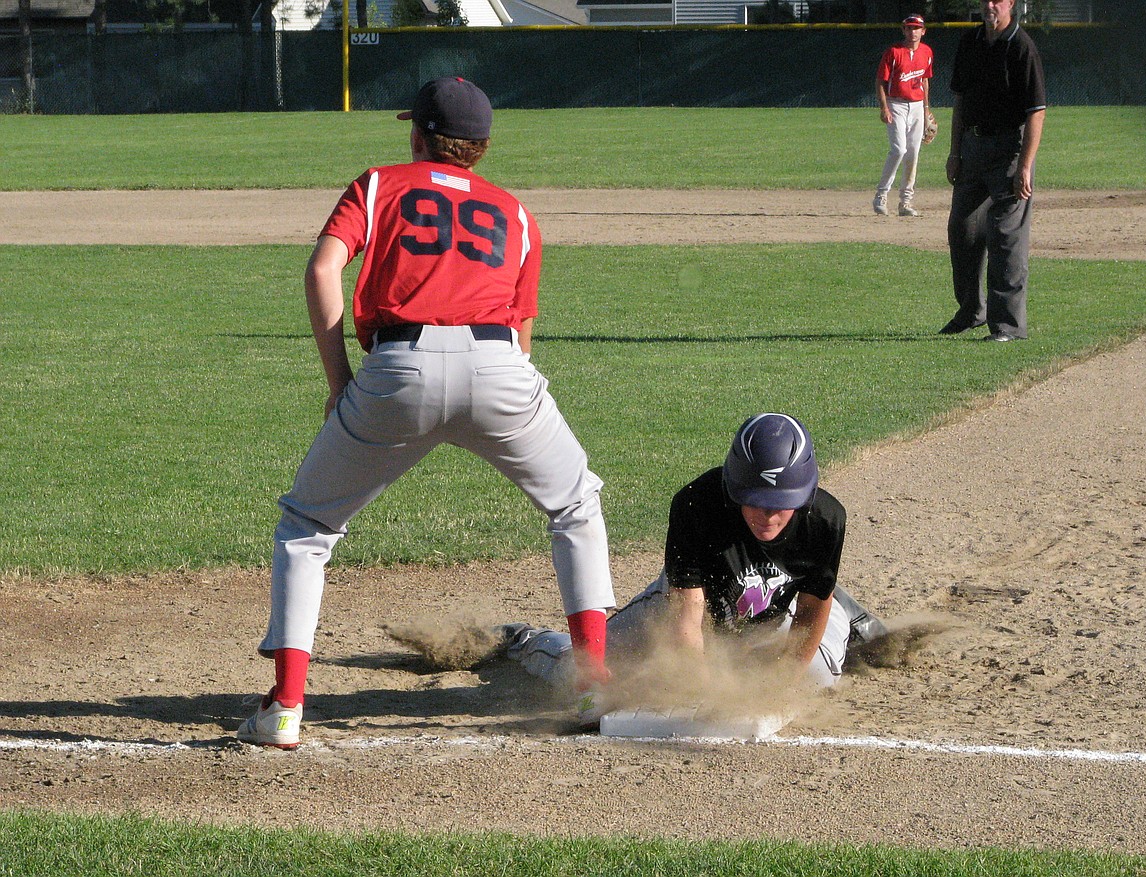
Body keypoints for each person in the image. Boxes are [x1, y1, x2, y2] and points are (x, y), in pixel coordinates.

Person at [238, 76, 616, 749]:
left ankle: (286, 707)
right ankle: (592, 681)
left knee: (306, 525)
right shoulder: (517, 213)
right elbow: (522, 336)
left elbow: (323, 270)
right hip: (502, 369)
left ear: (418, 136)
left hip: (398, 369)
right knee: (577, 506)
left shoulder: (380, 185)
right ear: (481, 148)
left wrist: (339, 382)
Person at [504, 413, 887, 723]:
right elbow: (686, 619)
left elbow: (809, 613)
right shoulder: (697, 505)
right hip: (695, 603)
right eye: (753, 501)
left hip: (781, 609)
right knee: (584, 665)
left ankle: (841, 607)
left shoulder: (825, 518)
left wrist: (779, 685)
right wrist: (707, 689)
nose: (766, 515)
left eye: (780, 503)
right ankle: (520, 639)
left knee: (817, 679)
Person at [940, 0, 1046, 341]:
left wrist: (1025, 166)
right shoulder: (969, 42)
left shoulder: (1021, 46)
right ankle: (972, 311)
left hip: (1008, 151)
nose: (989, 5)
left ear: (1010, 4)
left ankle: (1008, 327)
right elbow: (960, 101)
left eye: (997, 0)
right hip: (972, 148)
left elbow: (1036, 112)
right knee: (962, 227)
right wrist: (954, 151)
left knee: (1006, 235)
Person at [873, 13, 934, 218]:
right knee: (899, 149)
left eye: (916, 28)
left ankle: (905, 202)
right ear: (903, 30)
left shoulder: (926, 52)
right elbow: (881, 81)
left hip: (917, 106)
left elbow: (925, 81)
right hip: (896, 104)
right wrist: (884, 107)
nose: (913, 31)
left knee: (913, 153)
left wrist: (926, 110)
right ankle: (881, 194)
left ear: (923, 31)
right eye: (909, 28)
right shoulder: (893, 52)